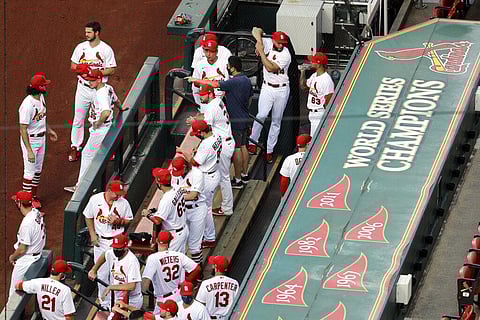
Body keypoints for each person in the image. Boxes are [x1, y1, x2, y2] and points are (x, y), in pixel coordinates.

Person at [189, 56, 253, 189]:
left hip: (235, 120)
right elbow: (251, 98)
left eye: (229, 66)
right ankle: (245, 174)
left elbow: (214, 84)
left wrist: (196, 80)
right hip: (245, 116)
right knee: (244, 146)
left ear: (233, 67)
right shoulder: (246, 80)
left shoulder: (233, 82)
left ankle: (238, 179)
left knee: (237, 149)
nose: (228, 68)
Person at [69, 21, 117, 162]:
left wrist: (99, 72)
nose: (86, 34)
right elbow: (73, 65)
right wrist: (80, 69)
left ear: (97, 33)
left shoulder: (106, 49)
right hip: (83, 88)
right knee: (78, 117)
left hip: (99, 89)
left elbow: (112, 69)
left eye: (89, 32)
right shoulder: (80, 48)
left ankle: (105, 148)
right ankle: (75, 146)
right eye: (86, 32)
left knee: (101, 118)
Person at [185, 85, 235, 217]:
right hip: (224, 140)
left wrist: (194, 121)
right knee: (220, 175)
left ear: (210, 94)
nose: (201, 97)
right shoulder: (217, 101)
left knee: (224, 177)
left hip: (224, 143)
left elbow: (205, 125)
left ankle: (227, 208)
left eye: (203, 95)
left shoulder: (212, 106)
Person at [83, 180, 133, 308]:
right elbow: (88, 216)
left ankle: (118, 302)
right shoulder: (95, 199)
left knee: (118, 274)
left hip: (118, 243)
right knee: (102, 273)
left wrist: (119, 221)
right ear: (109, 190)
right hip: (101, 242)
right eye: (116, 193)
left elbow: (129, 220)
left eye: (120, 194)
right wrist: (92, 234)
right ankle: (104, 302)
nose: (118, 196)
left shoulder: (124, 203)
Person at [64, 83, 122, 193]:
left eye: (92, 80)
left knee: (87, 154)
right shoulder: (108, 87)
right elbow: (116, 100)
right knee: (97, 155)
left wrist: (97, 123)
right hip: (106, 127)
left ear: (98, 79)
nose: (89, 82)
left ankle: (81, 187)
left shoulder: (100, 94)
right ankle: (93, 185)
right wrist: (122, 108)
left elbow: (106, 112)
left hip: (101, 129)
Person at [247, 27, 292, 163]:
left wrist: (260, 51)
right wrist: (259, 41)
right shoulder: (267, 42)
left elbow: (270, 67)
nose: (281, 45)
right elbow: (256, 29)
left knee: (276, 121)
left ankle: (269, 150)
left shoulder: (286, 54)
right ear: (274, 40)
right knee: (261, 115)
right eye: (279, 42)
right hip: (267, 86)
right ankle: (253, 143)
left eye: (283, 43)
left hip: (281, 89)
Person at [176, 120, 222, 249]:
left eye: (197, 133)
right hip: (213, 172)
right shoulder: (216, 135)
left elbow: (195, 162)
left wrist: (183, 152)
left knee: (205, 209)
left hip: (207, 178)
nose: (196, 135)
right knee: (205, 208)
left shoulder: (206, 145)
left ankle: (210, 238)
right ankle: (208, 236)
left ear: (203, 131)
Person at [18, 72, 58, 209]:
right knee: (29, 172)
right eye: (44, 85)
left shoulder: (41, 98)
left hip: (41, 139)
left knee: (37, 170)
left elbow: (42, 119)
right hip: (31, 141)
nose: (46, 87)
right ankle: (25, 203)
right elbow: (23, 129)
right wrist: (29, 150)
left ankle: (33, 196)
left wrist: (49, 130)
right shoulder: (27, 105)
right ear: (39, 88)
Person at [142, 232, 201, 314]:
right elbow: (197, 269)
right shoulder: (179, 255)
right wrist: (186, 281)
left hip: (163, 300)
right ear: (170, 242)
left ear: (156, 240)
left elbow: (145, 284)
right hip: (178, 295)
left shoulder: (153, 258)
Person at [88, 233, 143, 310]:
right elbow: (104, 255)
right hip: (117, 297)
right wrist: (94, 269)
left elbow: (131, 286)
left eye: (119, 249)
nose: (116, 251)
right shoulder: (111, 252)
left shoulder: (132, 261)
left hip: (132, 300)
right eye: (115, 248)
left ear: (126, 247)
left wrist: (111, 287)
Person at [8, 191, 46, 300]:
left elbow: (22, 249)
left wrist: (12, 257)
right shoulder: (36, 212)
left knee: (13, 293)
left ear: (19, 203)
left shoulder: (27, 223)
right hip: (37, 253)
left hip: (27, 259)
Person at [170, 157, 207, 264]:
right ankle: (184, 270)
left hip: (197, 209)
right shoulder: (174, 175)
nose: (179, 174)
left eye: (181, 171)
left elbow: (193, 195)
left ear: (186, 166)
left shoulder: (197, 173)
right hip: (182, 210)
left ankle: (198, 271)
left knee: (194, 246)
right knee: (180, 243)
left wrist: (174, 197)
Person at [142, 168, 188, 253]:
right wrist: (156, 210)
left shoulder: (166, 199)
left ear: (159, 183)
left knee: (172, 263)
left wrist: (147, 214)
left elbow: (157, 221)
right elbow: (171, 208)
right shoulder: (177, 188)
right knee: (180, 260)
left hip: (174, 236)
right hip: (182, 229)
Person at [300, 52, 334, 136]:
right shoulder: (314, 75)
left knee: (314, 141)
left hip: (320, 113)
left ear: (318, 65)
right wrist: (302, 72)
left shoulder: (326, 80)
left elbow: (329, 101)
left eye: (313, 61)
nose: (311, 62)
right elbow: (303, 86)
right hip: (312, 113)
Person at [191, 38, 229, 107]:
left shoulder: (224, 64)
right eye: (206, 51)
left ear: (216, 52)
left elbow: (228, 85)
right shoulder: (199, 64)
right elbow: (195, 85)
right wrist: (198, 103)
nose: (208, 54)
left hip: (221, 101)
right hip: (204, 102)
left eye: (211, 51)